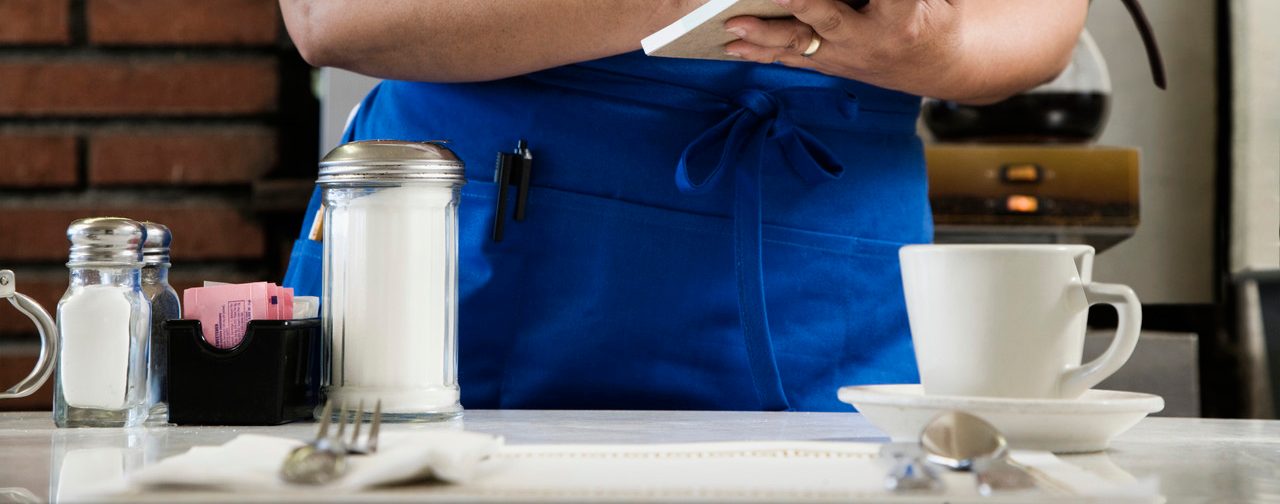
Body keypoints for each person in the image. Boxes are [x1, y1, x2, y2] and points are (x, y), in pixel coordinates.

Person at [279, 0, 1088, 412]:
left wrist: (937, 48)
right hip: (484, 257)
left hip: (832, 277)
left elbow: (1032, 17)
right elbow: (333, 16)